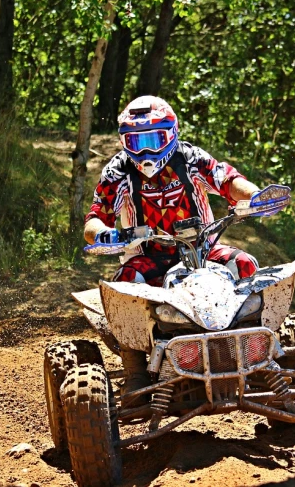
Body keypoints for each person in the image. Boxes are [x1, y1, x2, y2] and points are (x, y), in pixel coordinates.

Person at [83, 95, 270, 395]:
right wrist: (106, 235)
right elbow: (94, 219)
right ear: (124, 141)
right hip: (150, 257)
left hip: (204, 252)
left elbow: (226, 179)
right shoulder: (118, 170)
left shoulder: (189, 157)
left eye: (154, 139)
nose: (145, 150)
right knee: (124, 283)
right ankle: (135, 371)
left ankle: (260, 353)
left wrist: (256, 196)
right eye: (135, 140)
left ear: (171, 134)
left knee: (245, 263)